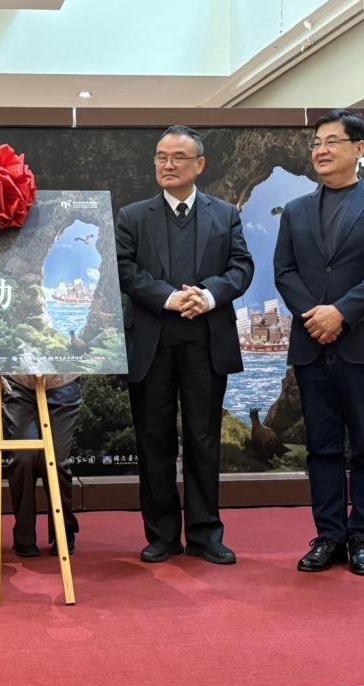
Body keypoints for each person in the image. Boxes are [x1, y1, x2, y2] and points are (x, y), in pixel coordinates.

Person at [273, 109, 364, 576]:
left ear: (360, 148)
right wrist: (316, 318)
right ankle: (329, 535)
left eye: (332, 141)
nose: (322, 150)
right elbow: (284, 272)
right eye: (316, 142)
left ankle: (363, 538)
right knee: (322, 448)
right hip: (313, 345)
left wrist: (342, 313)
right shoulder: (294, 211)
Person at [116, 125, 253, 564]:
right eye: (160, 156)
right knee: (154, 438)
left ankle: (206, 533)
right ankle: (161, 534)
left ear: (200, 165)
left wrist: (208, 295)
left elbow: (241, 267)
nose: (167, 165)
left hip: (205, 340)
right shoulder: (133, 216)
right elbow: (123, 269)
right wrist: (169, 297)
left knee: (203, 438)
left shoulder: (225, 214)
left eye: (177, 157)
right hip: (152, 343)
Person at [3, 375, 82, 557]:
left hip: (63, 381)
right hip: (20, 383)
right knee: (23, 457)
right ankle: (24, 533)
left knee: (55, 461)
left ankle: (64, 529)